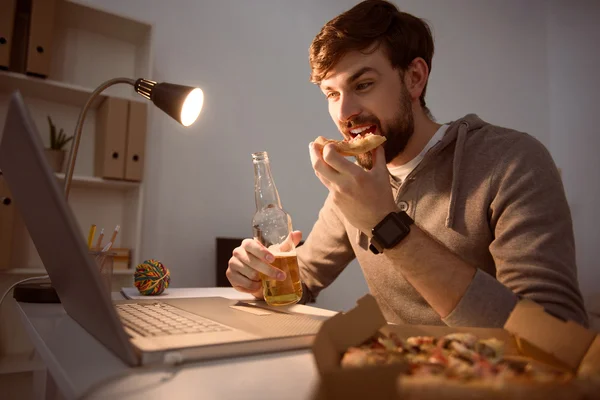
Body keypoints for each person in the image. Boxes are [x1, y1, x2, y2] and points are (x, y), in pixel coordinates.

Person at [226, 0, 588, 327]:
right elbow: (302, 280)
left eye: (363, 84)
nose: (344, 112)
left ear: (414, 78)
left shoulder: (512, 161)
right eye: (332, 94)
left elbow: (554, 334)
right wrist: (261, 274)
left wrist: (385, 223)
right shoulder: (357, 184)